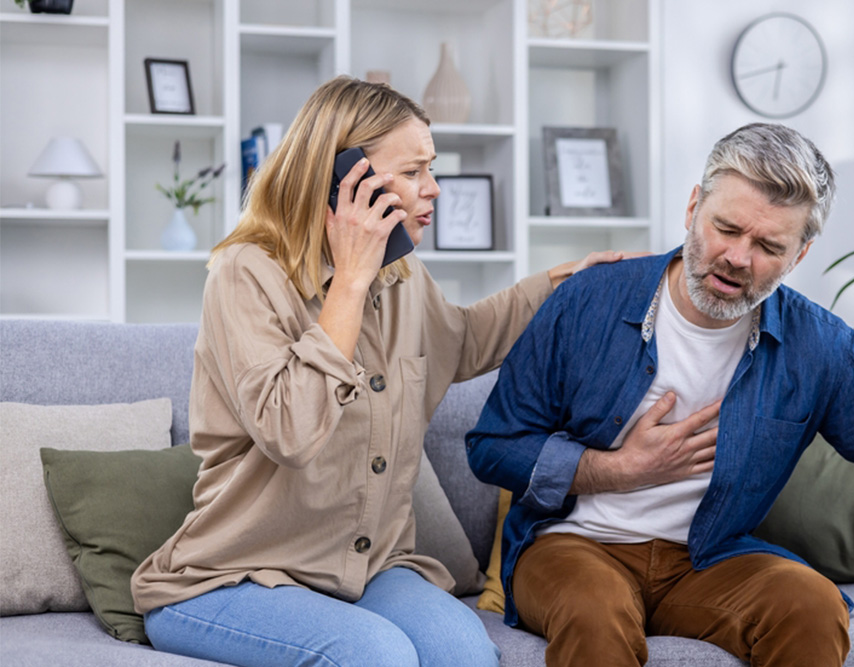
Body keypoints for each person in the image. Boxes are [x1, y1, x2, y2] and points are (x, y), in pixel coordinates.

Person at [130, 76, 622, 667]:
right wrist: (351, 279)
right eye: (413, 172)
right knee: (373, 654)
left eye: (430, 169)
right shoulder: (244, 272)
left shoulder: (403, 277)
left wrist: (563, 287)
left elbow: (460, 341)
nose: (434, 188)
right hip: (234, 576)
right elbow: (291, 430)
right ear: (345, 179)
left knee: (466, 653)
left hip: (367, 569)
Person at [466, 123, 854, 667]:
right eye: (726, 228)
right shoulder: (588, 300)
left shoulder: (818, 346)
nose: (738, 258)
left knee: (811, 605)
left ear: (800, 255)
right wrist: (619, 469)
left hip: (708, 558)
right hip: (572, 546)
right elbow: (493, 446)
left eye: (769, 246)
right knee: (594, 611)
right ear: (694, 206)